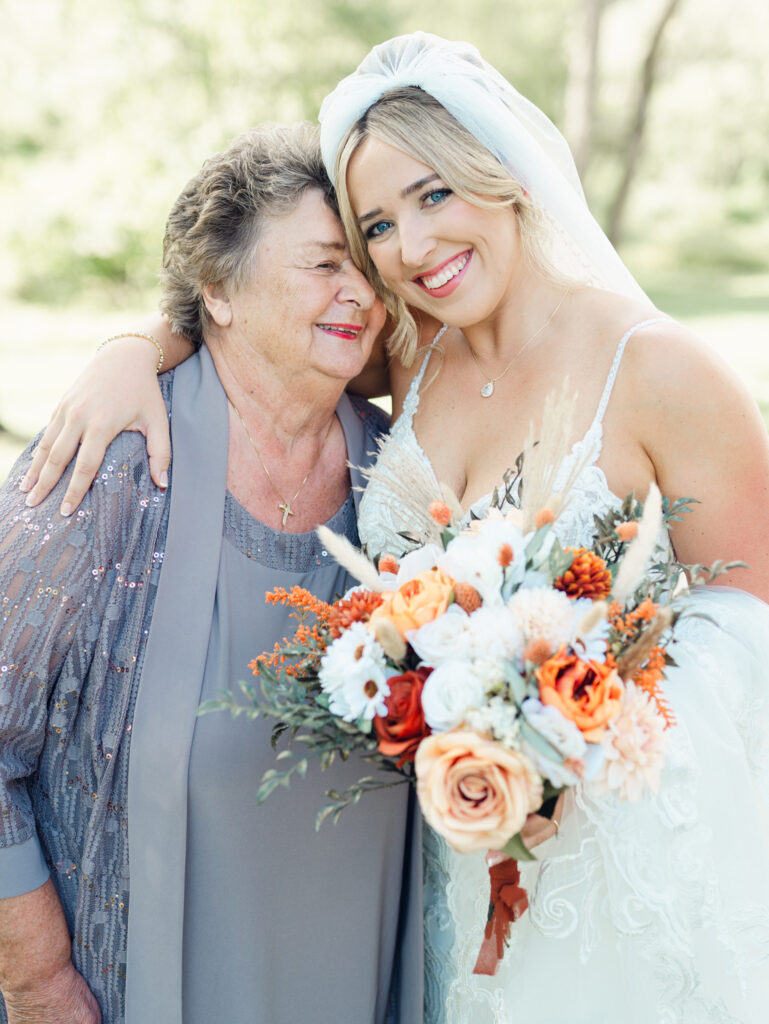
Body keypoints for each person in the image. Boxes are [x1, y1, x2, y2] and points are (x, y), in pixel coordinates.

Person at [16, 31, 769, 1024]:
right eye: (375, 226)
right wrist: (135, 348)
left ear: (500, 175)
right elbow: (263, 328)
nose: (409, 251)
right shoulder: (416, 354)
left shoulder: (663, 370)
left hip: (613, 852)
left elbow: (749, 626)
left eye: (433, 195)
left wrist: (557, 710)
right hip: (459, 855)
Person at [0, 123, 422, 1024]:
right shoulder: (109, 464)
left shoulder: (405, 478)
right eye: (323, 266)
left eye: (368, 271)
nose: (361, 294)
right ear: (217, 290)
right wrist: (34, 982)